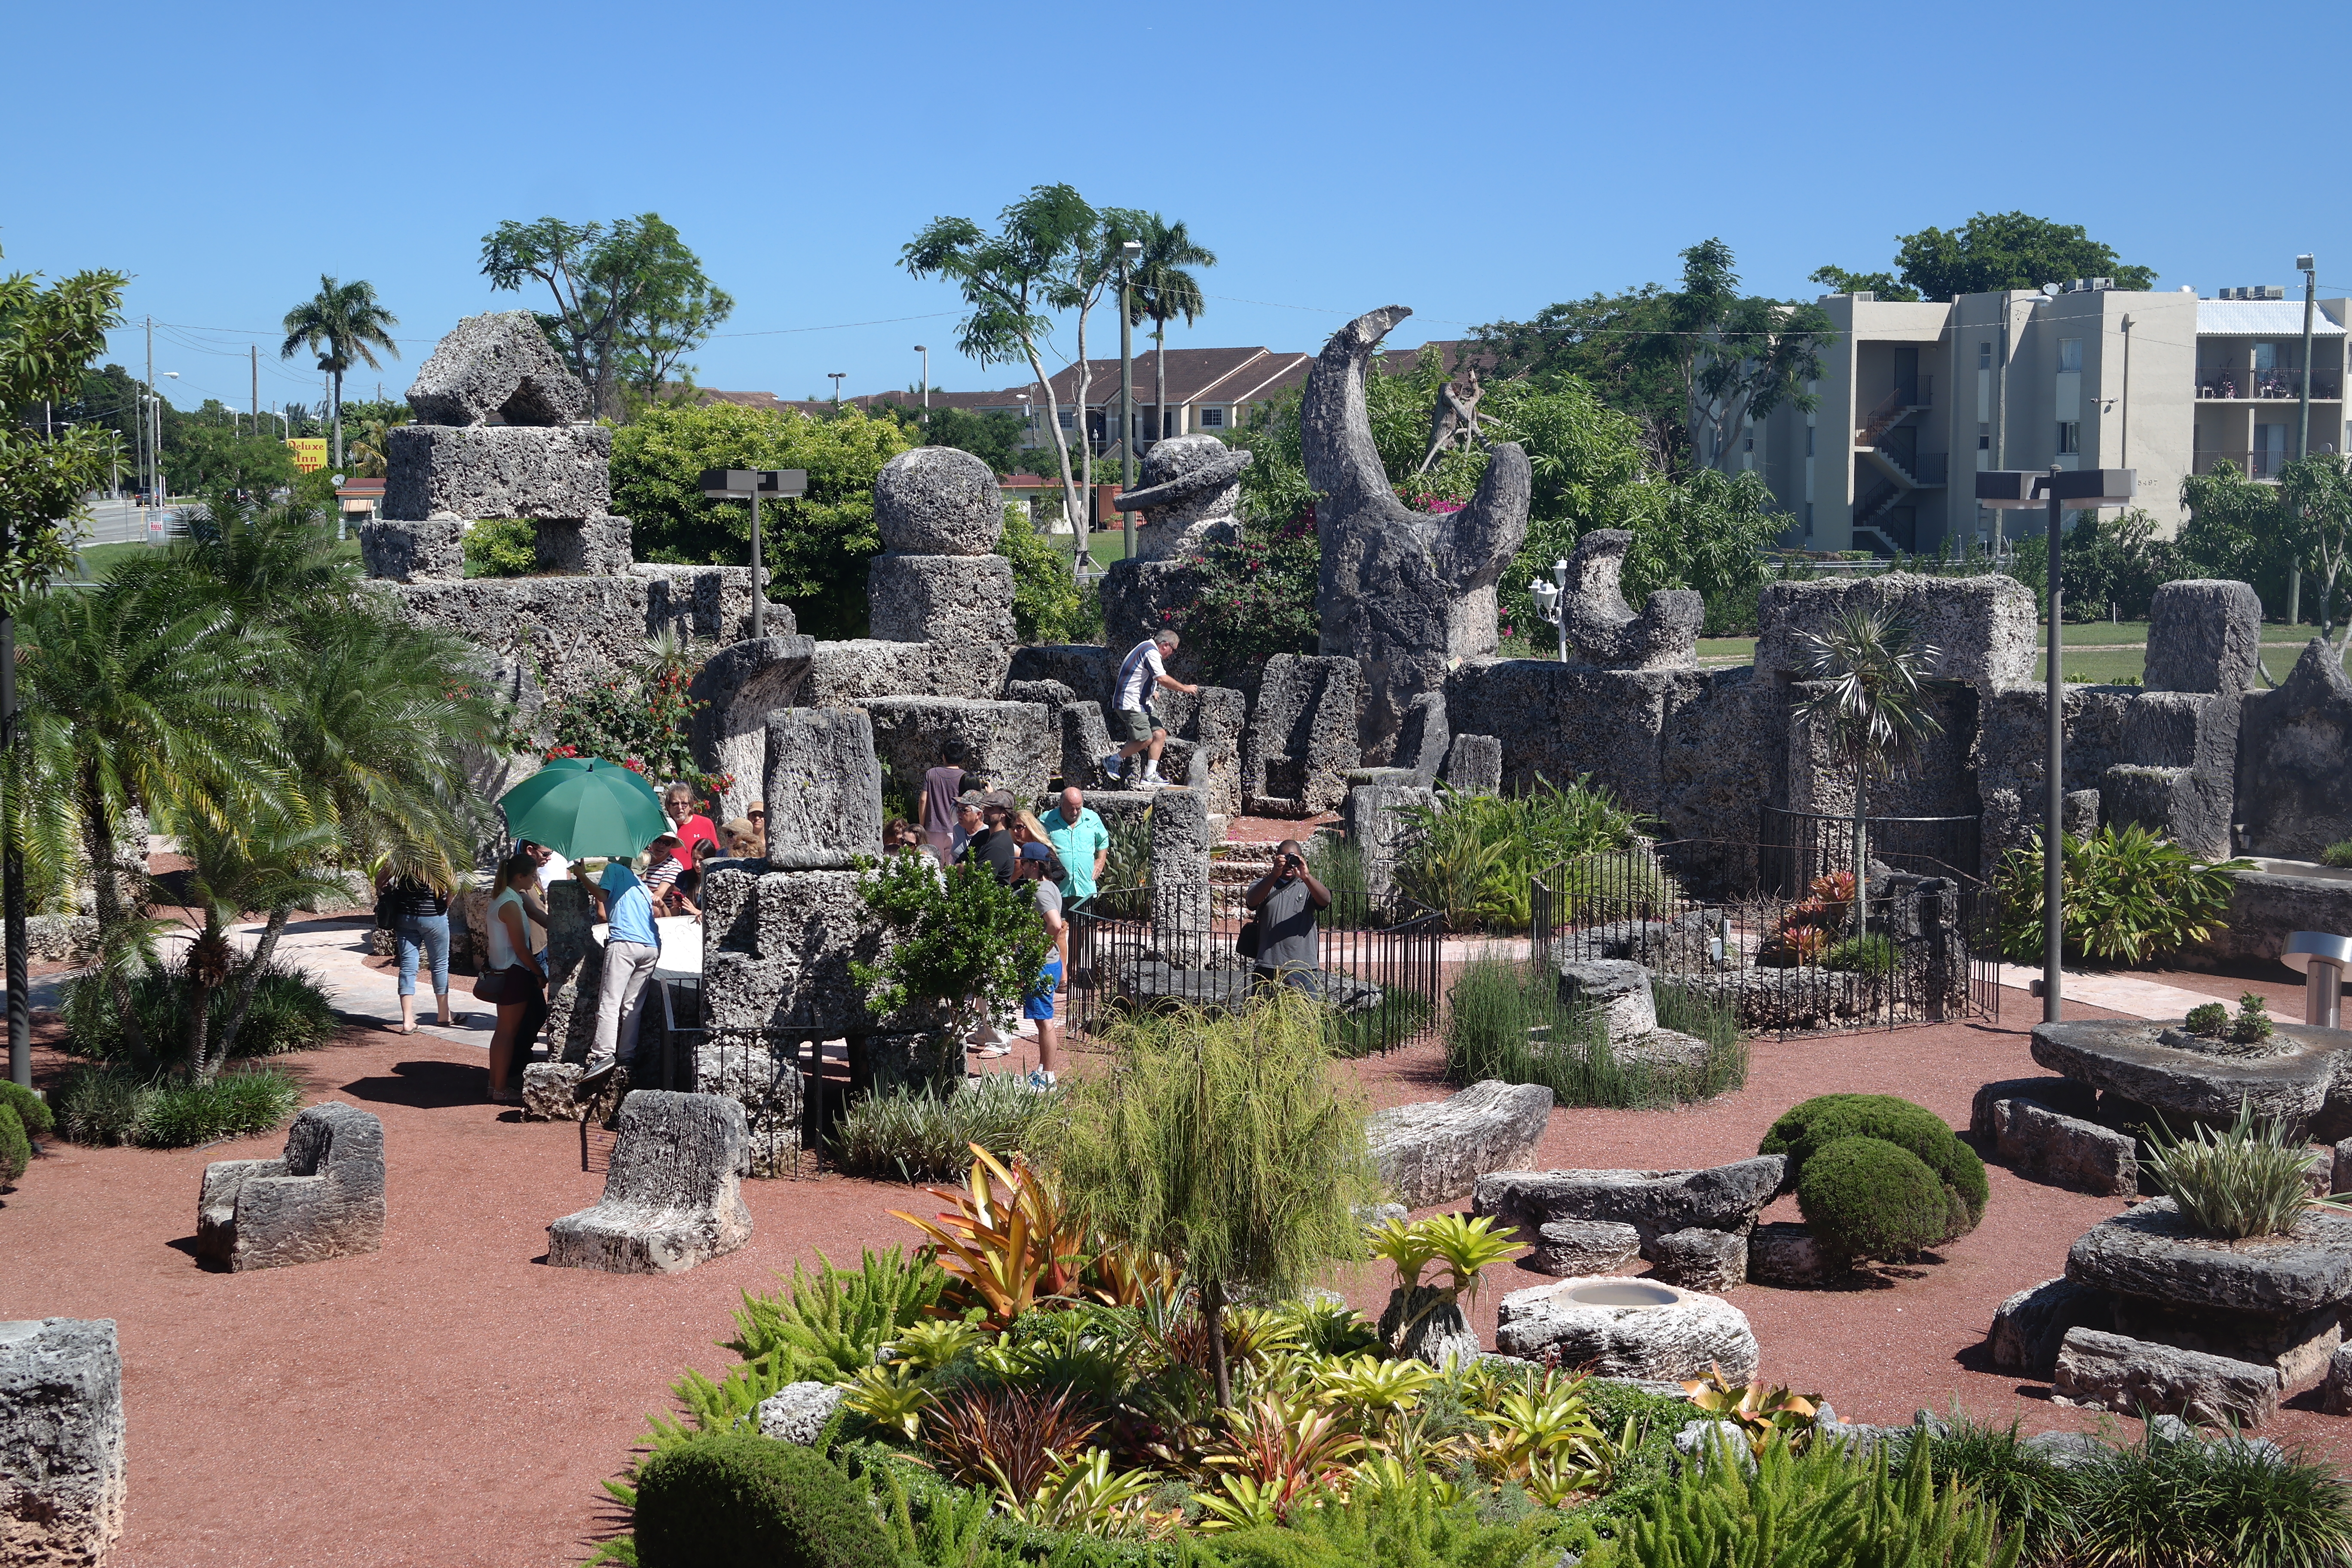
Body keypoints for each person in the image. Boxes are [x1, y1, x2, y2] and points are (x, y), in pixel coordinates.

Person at [579, 846, 663, 1096]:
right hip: (651, 947)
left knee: (610, 1001)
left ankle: (604, 1054)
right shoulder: (642, 887)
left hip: (624, 943)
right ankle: (627, 1055)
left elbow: (601, 896)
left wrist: (581, 874)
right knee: (632, 1006)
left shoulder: (614, 870)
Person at [483, 853, 548, 1102]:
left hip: (505, 969)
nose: (534, 879)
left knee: (504, 1032)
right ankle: (500, 1088)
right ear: (520, 876)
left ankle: (495, 1084)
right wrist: (539, 972)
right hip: (514, 971)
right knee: (507, 1033)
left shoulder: (507, 899)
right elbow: (521, 948)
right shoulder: (510, 903)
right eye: (531, 876)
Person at [1104, 629, 1198, 788]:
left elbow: (1141, 674)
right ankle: (1113, 760)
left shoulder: (1146, 648)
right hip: (1129, 703)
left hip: (1143, 703)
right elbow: (1161, 678)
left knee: (1160, 734)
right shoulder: (1151, 651)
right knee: (1145, 739)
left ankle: (1150, 775)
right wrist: (1185, 688)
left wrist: (1151, 689)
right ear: (1165, 646)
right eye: (1173, 650)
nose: (1172, 654)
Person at [1245, 838, 1331, 992]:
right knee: (1263, 1014)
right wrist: (1274, 875)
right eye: (1285, 859)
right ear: (1277, 859)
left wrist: (1307, 877)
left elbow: (1325, 900)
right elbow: (1252, 901)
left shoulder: (1307, 886)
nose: (1289, 865)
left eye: (1294, 859)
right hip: (1268, 966)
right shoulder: (1263, 884)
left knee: (1304, 1014)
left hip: (1302, 967)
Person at [378, 869, 458, 1035]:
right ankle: (444, 1014)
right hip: (434, 915)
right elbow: (454, 885)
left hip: (405, 916)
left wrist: (396, 894)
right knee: (440, 965)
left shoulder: (401, 855)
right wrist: (446, 903)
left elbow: (381, 881)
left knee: (408, 966)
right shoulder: (438, 854)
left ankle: (407, 1020)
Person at [1013, 847, 1067, 1086]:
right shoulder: (1052, 887)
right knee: (1042, 1019)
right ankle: (1043, 1071)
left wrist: (1036, 954)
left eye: (1023, 863)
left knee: (1045, 1022)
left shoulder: (1039, 891)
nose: (1021, 867)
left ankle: (1048, 1077)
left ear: (1034, 865)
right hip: (1050, 964)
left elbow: (1055, 926)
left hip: (1042, 966)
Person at [1042, 787, 1110, 906]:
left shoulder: (1092, 818)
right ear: (1061, 805)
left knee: (1084, 924)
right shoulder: (1046, 820)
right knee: (1058, 925)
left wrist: (1101, 860)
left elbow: (1103, 840)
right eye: (1070, 808)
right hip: (1057, 888)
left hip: (1085, 888)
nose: (1074, 813)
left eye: (1078, 808)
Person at [919, 741, 971, 858]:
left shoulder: (931, 774)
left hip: (933, 828)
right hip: (957, 829)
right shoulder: (965, 777)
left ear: (944, 756)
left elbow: (923, 800)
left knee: (934, 867)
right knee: (954, 870)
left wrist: (922, 825)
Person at [957, 790, 1019, 883]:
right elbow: (957, 863)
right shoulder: (982, 836)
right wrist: (964, 868)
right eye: (985, 808)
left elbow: (978, 878)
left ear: (1004, 814)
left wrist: (962, 868)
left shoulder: (1000, 845)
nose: (985, 812)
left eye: (991, 809)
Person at [662, 783, 721, 862]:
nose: (680, 808)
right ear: (668, 807)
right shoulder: (664, 826)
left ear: (690, 806)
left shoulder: (706, 824)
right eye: (675, 804)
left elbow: (715, 854)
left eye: (684, 804)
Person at [643, 835, 685, 901]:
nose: (661, 846)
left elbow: (656, 898)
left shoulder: (674, 867)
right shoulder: (642, 859)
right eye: (658, 841)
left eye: (666, 843)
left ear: (672, 845)